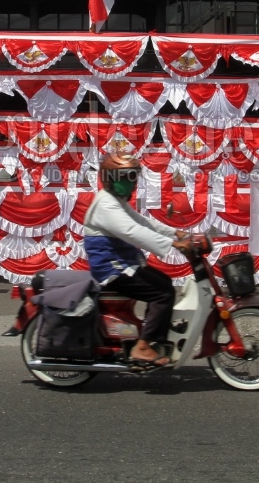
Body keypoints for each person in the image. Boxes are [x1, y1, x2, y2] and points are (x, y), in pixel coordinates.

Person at [83, 153, 193, 367]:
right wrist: (172, 244)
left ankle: (152, 337)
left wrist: (176, 233)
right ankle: (142, 347)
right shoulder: (106, 204)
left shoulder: (115, 200)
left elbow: (142, 222)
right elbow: (132, 231)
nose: (130, 182)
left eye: (133, 177)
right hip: (112, 269)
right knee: (161, 292)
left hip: (123, 264)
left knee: (164, 283)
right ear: (109, 178)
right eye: (125, 177)